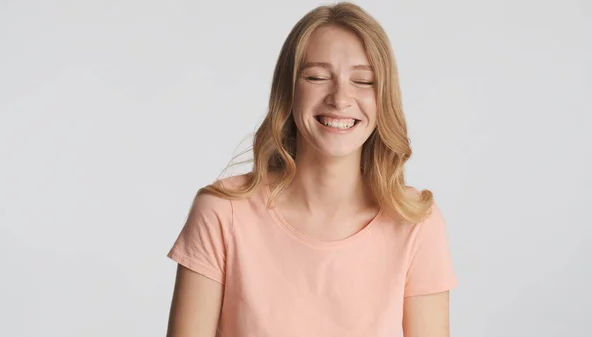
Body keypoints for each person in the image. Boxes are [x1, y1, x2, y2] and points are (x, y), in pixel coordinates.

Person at [165, 2, 457, 336]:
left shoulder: (416, 223)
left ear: (384, 98)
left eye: (363, 81)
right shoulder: (221, 212)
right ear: (288, 91)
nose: (340, 98)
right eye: (317, 77)